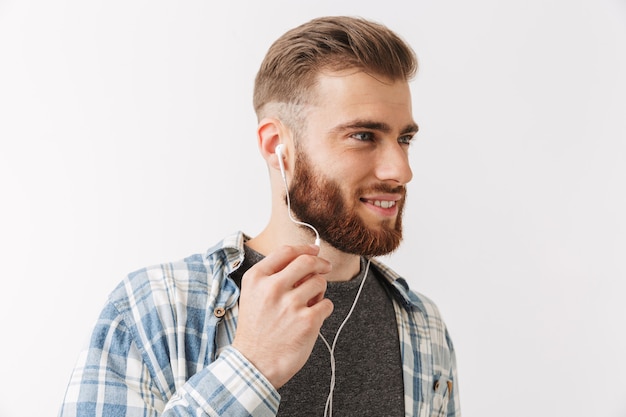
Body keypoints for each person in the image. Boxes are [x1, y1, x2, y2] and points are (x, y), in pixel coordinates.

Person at [59, 16, 460, 417]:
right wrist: (251, 366)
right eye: (363, 136)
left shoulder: (422, 325)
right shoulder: (153, 309)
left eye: (404, 138)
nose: (400, 170)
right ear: (276, 147)